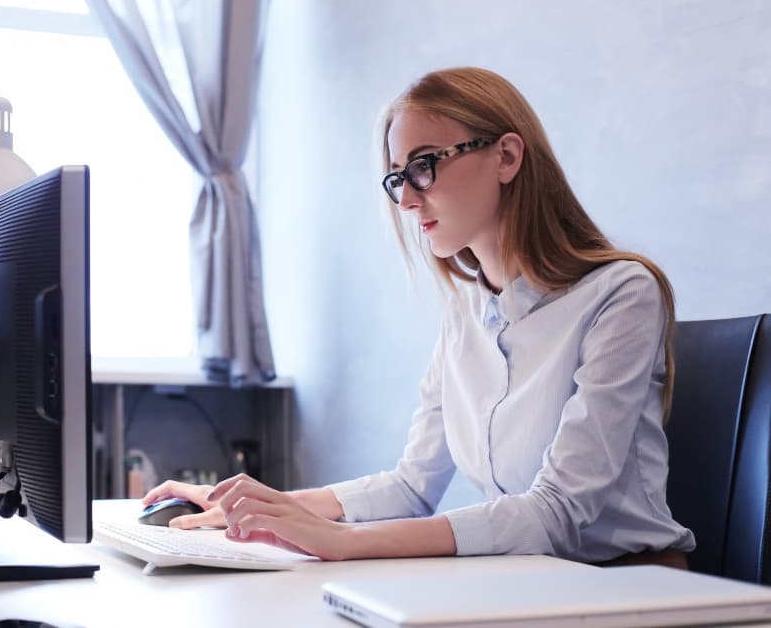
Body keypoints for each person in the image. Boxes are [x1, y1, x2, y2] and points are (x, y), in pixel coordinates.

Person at [141, 67, 696, 567]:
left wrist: (340, 541)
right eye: (396, 177)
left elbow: (555, 511)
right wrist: (263, 508)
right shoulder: (466, 314)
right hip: (531, 580)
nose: (405, 200)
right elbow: (411, 486)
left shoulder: (622, 293)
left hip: (629, 585)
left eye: (423, 166)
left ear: (506, 157)